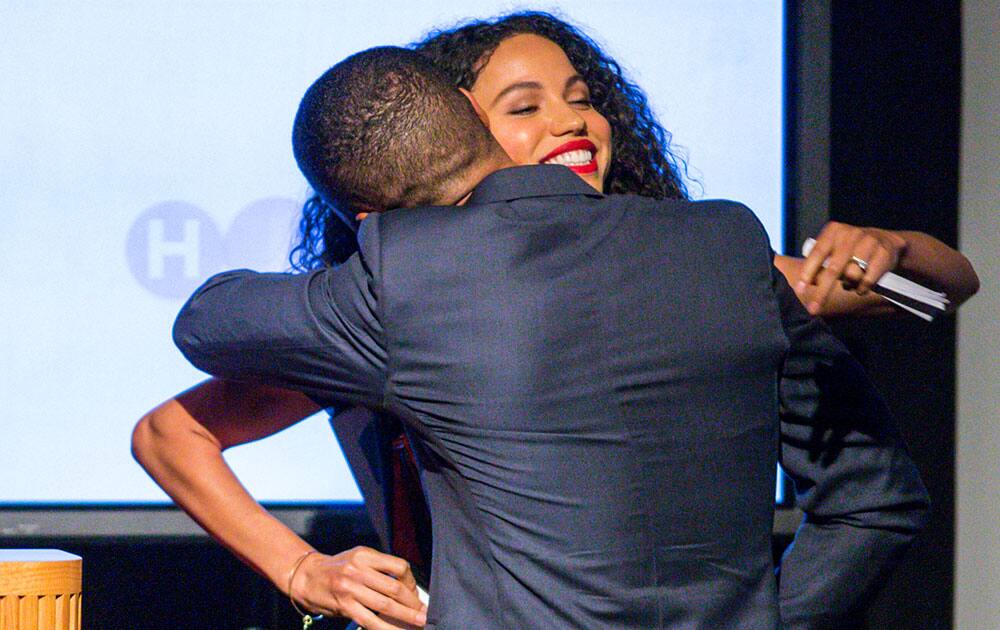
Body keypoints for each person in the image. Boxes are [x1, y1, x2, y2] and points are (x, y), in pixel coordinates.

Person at [133, 11, 974, 628]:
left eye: (582, 96)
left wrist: (896, 245)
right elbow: (172, 434)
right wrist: (304, 571)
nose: (572, 120)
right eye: (526, 107)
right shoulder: (394, 305)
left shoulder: (717, 261)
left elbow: (943, 290)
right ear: (461, 136)